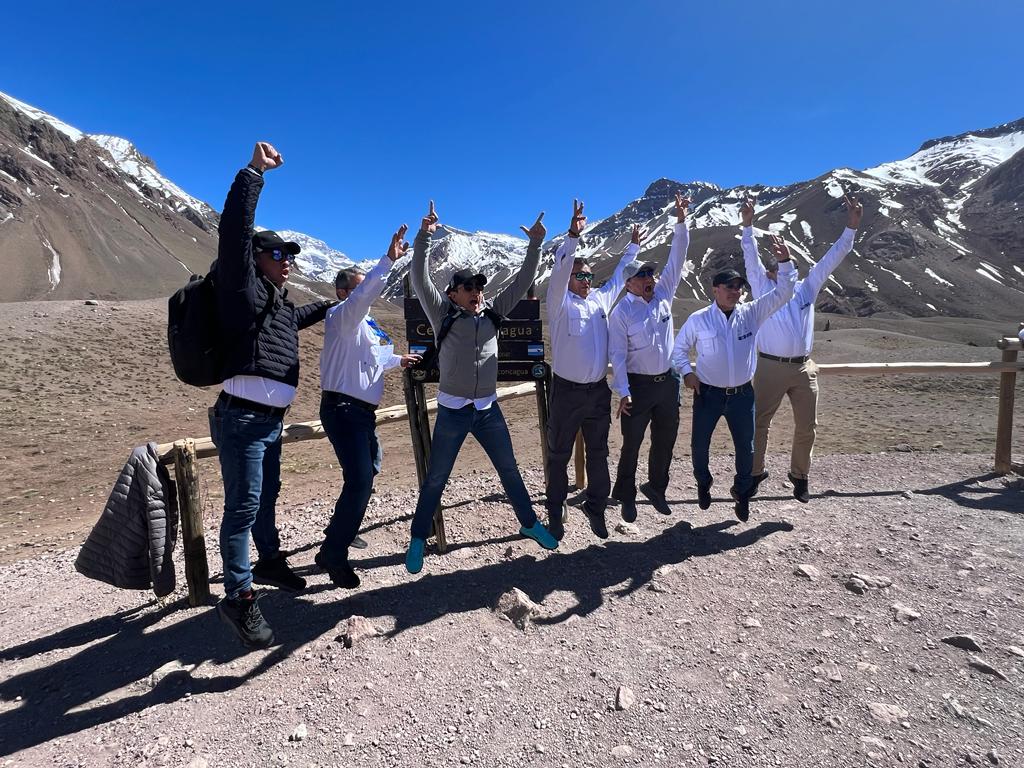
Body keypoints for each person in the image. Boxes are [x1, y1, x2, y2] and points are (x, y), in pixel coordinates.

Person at [210, 142, 335, 648]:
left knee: (265, 498)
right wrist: (253, 173)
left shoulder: (276, 304)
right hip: (242, 418)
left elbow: (300, 317)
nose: (287, 263)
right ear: (256, 259)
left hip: (268, 420)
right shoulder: (241, 286)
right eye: (278, 254)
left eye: (290, 256)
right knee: (243, 507)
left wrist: (337, 303)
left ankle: (268, 562)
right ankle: (238, 597)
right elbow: (234, 233)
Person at [405, 201, 558, 573]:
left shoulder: (493, 314)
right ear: (453, 293)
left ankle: (528, 522)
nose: (476, 291)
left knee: (509, 470)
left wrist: (536, 244)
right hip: (453, 412)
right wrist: (424, 237)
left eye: (479, 287)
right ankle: (419, 537)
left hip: (489, 410)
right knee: (436, 477)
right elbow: (419, 278)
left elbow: (522, 281)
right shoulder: (441, 314)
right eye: (468, 287)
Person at [316, 226, 422, 588]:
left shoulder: (365, 323)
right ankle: (334, 553)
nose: (366, 295)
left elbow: (375, 358)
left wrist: (399, 360)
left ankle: (336, 535)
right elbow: (364, 296)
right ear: (344, 292)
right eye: (359, 289)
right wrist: (389, 260)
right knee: (360, 479)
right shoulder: (341, 316)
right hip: (344, 409)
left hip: (361, 413)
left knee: (367, 472)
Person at [742, 194, 862, 503]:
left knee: (808, 426)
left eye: (790, 265)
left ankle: (800, 475)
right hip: (769, 366)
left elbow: (832, 258)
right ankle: (754, 474)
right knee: (759, 424)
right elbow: (750, 257)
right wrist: (747, 225)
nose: (787, 270)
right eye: (782, 265)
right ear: (772, 272)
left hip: (803, 367)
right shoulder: (761, 288)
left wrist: (851, 226)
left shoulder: (807, 287)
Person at [671, 236, 796, 522]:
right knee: (699, 446)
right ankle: (703, 482)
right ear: (715, 289)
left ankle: (741, 492)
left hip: (742, 395)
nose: (735, 291)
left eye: (739, 287)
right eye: (729, 286)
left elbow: (784, 293)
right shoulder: (699, 319)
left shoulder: (751, 313)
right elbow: (679, 349)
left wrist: (785, 263)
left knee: (746, 448)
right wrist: (687, 372)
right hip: (708, 394)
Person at [545, 199, 646, 539]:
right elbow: (560, 272)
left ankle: (596, 506)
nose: (586, 279)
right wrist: (573, 235)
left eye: (589, 275)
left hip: (597, 392)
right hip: (566, 392)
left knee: (599, 452)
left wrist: (633, 248)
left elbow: (619, 276)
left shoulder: (601, 299)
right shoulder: (559, 303)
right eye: (580, 275)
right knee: (558, 454)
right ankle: (555, 509)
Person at [608, 192, 692, 523]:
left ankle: (656, 487)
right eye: (642, 276)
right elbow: (617, 354)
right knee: (632, 444)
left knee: (665, 440)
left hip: (668, 383)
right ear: (629, 282)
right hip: (639, 387)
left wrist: (681, 222)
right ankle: (626, 495)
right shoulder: (622, 313)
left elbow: (677, 258)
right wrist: (623, 391)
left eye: (651, 275)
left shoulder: (663, 296)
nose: (650, 279)